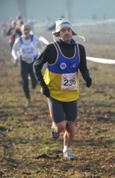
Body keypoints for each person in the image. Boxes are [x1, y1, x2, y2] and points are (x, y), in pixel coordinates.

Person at [33, 18, 92, 160]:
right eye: (63, 30)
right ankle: (54, 128)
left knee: (71, 126)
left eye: (68, 30)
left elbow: (83, 67)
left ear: (72, 32)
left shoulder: (80, 49)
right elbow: (36, 65)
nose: (66, 33)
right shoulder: (51, 49)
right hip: (53, 92)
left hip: (71, 93)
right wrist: (43, 85)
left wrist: (87, 77)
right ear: (58, 34)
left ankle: (67, 150)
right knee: (60, 126)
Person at [11, 23, 43, 107]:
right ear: (21, 31)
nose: (26, 31)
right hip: (23, 63)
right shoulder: (19, 40)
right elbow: (13, 50)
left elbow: (41, 48)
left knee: (34, 81)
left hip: (33, 62)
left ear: (30, 30)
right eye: (24, 30)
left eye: (27, 29)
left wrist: (39, 57)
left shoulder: (35, 38)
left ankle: (34, 84)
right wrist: (15, 57)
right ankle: (28, 100)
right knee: (25, 81)